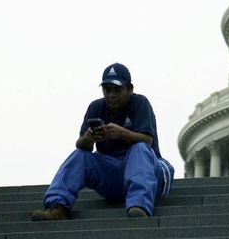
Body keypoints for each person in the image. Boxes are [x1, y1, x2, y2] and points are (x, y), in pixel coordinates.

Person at [31, 63, 174, 220]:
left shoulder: (139, 103)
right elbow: (81, 146)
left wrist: (121, 133)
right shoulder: (96, 107)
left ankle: (139, 206)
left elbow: (147, 140)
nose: (111, 95)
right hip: (113, 176)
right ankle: (57, 207)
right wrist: (88, 138)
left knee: (139, 148)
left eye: (117, 90)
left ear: (130, 89)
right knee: (80, 155)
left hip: (149, 173)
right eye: (107, 90)